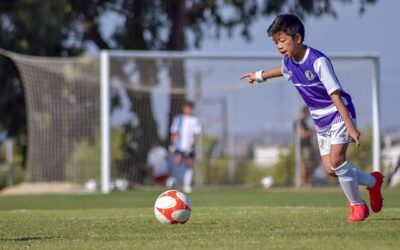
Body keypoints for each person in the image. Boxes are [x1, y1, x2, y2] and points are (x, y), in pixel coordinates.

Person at [241, 14, 383, 222]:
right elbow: (283, 70)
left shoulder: (318, 61)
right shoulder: (288, 62)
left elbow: (335, 94)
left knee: (337, 160)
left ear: (297, 38)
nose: (279, 46)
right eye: (275, 42)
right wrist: (259, 76)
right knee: (331, 170)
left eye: (282, 41)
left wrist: (350, 126)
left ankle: (358, 206)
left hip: (338, 113)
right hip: (320, 120)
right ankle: (373, 182)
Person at [170, 100, 201, 193]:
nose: (187, 110)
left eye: (189, 108)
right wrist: (172, 144)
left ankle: (187, 185)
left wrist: (192, 145)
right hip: (179, 146)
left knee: (189, 164)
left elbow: (195, 134)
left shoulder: (194, 120)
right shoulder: (178, 118)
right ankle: (175, 182)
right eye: (186, 108)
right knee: (177, 162)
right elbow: (174, 132)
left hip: (189, 146)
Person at [297, 106, 319, 187]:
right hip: (304, 147)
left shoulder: (303, 122)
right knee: (305, 165)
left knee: (310, 164)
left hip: (307, 146)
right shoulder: (300, 122)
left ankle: (306, 181)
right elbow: (302, 135)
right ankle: (304, 182)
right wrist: (312, 131)